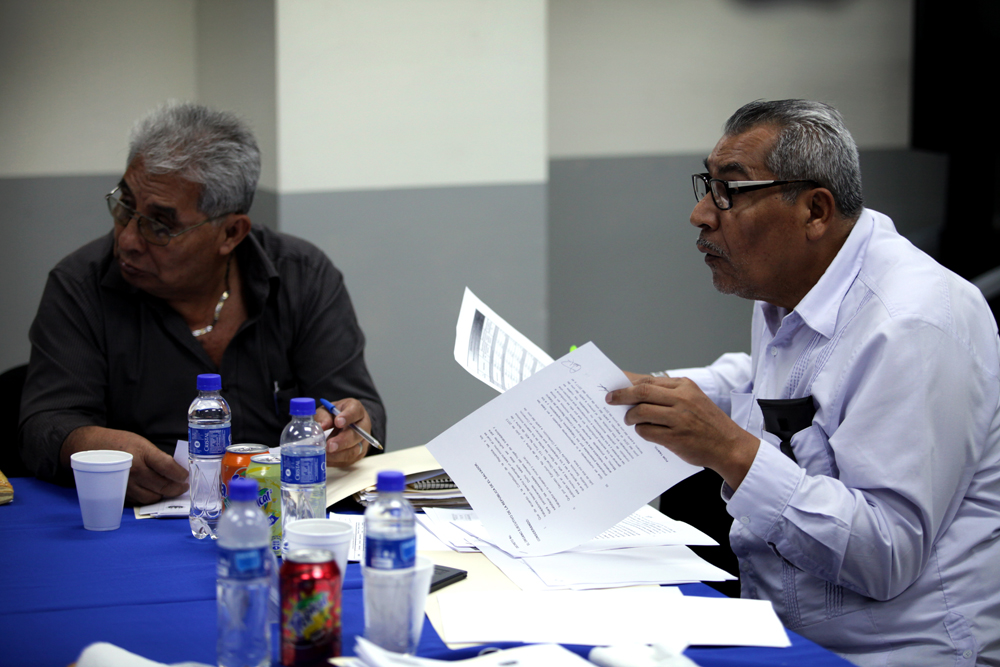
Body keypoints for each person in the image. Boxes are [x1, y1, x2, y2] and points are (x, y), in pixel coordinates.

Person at [607, 100, 1000, 665]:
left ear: (815, 210)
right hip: (783, 623)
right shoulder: (800, 280)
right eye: (707, 185)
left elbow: (886, 552)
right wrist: (652, 389)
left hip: (889, 650)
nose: (701, 214)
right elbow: (782, 380)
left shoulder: (912, 324)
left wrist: (729, 450)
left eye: (729, 191)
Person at [19, 102, 385, 506]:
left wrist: (353, 430)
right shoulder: (81, 285)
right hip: (134, 518)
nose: (127, 239)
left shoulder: (302, 276)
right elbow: (44, 424)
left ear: (230, 233)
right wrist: (91, 444)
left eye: (160, 225)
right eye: (124, 207)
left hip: (283, 514)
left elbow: (355, 407)